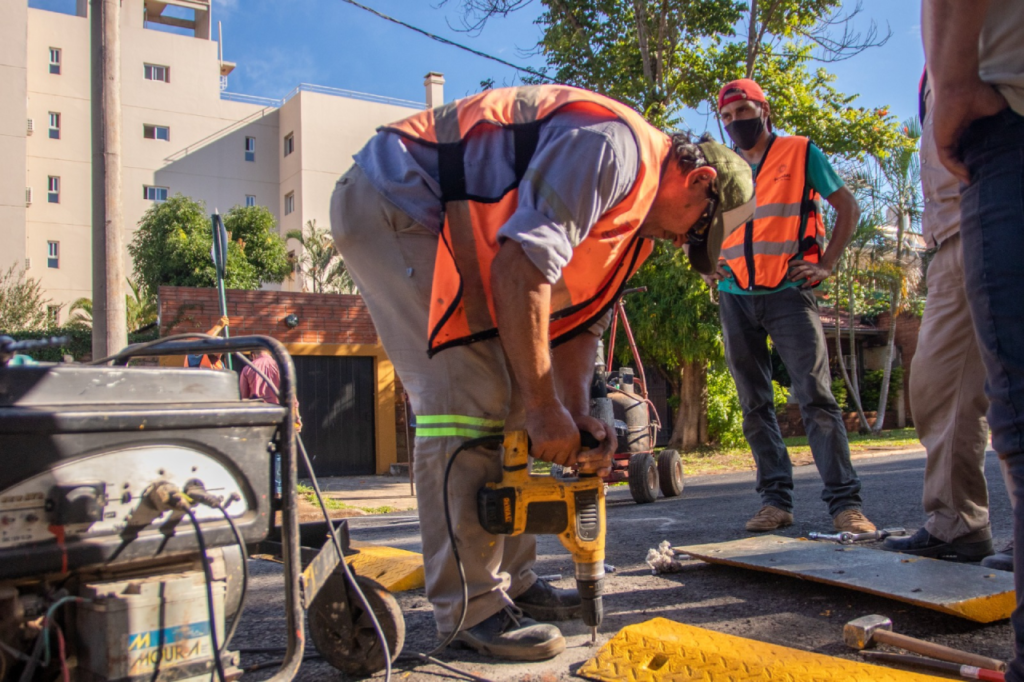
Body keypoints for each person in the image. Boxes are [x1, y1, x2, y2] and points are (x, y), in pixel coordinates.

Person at [330, 84, 754, 662]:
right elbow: (521, 267)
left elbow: (579, 325)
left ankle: (513, 582)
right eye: (697, 230)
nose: (684, 243)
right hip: (397, 197)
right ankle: (471, 609)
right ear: (699, 180)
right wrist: (543, 405)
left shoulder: (635, 233)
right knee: (468, 399)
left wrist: (570, 412)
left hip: (445, 222)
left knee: (516, 406)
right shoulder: (614, 151)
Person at [706, 78, 875, 534]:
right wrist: (704, 263)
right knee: (754, 403)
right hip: (735, 296)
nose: (735, 121)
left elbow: (847, 206)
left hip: (788, 293)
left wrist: (827, 264)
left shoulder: (800, 152)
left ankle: (846, 505)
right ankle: (775, 503)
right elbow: (699, 224)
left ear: (764, 110)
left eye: (743, 111)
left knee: (816, 398)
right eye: (727, 116)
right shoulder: (722, 168)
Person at [922, 1, 1024, 677]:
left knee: (1011, 405)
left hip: (999, 150)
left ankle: (964, 525)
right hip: (954, 223)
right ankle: (954, 523)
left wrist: (956, 82)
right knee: (941, 388)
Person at [882, 72, 1012, 566]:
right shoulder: (938, 57)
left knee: (1016, 382)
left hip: (1004, 211)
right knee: (937, 386)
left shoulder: (989, 34)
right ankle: (956, 524)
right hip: (950, 237)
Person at [240, 347, 302, 431]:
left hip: (257, 416)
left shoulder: (247, 368)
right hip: (279, 414)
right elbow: (291, 395)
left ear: (253, 355)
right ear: (268, 352)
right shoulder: (281, 367)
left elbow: (244, 399)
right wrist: (297, 417)